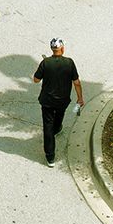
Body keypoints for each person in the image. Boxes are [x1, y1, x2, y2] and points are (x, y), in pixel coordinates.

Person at [33, 38, 84, 166]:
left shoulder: (45, 63)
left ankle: (50, 157)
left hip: (47, 101)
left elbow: (36, 80)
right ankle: (57, 128)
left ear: (52, 49)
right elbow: (76, 82)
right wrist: (80, 98)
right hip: (63, 100)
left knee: (47, 125)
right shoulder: (69, 63)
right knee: (60, 114)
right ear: (62, 48)